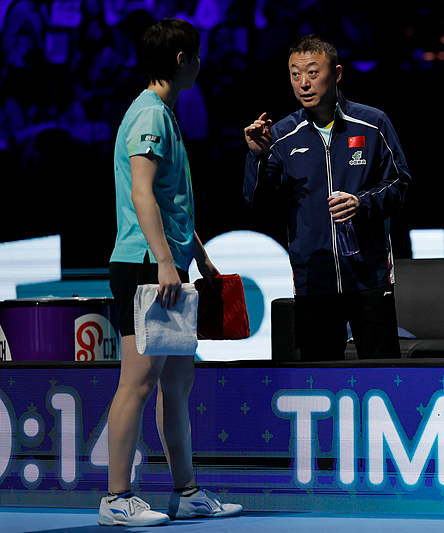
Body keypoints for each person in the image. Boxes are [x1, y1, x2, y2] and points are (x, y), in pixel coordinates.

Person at [101, 18, 242, 526]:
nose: (200, 63)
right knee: (137, 382)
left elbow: (168, 200)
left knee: (178, 381)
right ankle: (117, 499)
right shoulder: (149, 114)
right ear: (183, 60)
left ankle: (187, 493)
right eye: (197, 55)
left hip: (168, 264)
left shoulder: (164, 112)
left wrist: (196, 255)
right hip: (145, 264)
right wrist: (164, 261)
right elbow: (142, 193)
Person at [243, 34, 412, 361]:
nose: (303, 83)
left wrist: (361, 203)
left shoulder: (372, 123)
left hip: (369, 276)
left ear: (336, 74)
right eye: (295, 74)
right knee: (319, 379)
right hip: (314, 282)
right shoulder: (280, 136)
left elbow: (399, 183)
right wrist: (259, 156)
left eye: (312, 72)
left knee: (382, 375)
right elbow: (257, 204)